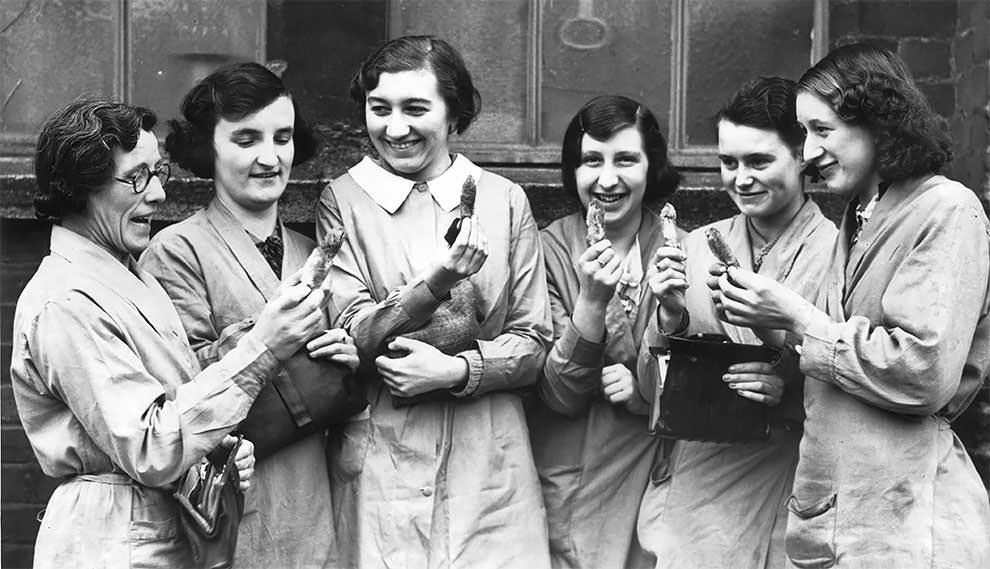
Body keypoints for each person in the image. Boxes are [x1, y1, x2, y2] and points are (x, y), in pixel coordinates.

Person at [10, 97, 326, 568]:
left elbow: (168, 406)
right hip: (113, 542)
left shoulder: (130, 275)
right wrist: (262, 348)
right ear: (81, 187)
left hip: (157, 532)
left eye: (158, 173)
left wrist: (213, 448)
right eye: (137, 177)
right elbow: (151, 447)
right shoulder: (67, 302)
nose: (157, 194)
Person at [710, 44, 990, 567]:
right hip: (843, 520)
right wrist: (768, 323)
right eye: (803, 133)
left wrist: (798, 318)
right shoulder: (858, 217)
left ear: (879, 122)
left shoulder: (947, 209)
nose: (808, 151)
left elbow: (923, 372)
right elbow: (837, 359)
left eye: (823, 129)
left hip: (907, 523)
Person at [316, 35, 553, 568]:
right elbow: (353, 332)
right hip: (386, 454)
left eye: (416, 108)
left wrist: (455, 371)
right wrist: (438, 281)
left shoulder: (504, 199)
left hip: (488, 458)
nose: (395, 128)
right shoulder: (344, 201)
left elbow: (535, 341)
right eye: (380, 109)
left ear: (454, 114)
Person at [138, 62, 357, 569]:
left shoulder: (314, 249)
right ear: (206, 147)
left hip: (316, 506)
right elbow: (176, 387)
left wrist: (346, 355)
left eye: (282, 138)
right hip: (236, 504)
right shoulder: (175, 252)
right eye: (246, 139)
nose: (269, 157)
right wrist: (264, 337)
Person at [635, 77, 838, 569]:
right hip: (700, 499)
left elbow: (859, 384)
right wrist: (669, 316)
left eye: (759, 161)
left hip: (790, 484)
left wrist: (786, 387)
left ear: (803, 156)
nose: (741, 178)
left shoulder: (839, 252)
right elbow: (648, 393)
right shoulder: (693, 245)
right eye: (729, 162)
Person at [528, 95, 679, 569]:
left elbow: (703, 385)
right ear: (572, 170)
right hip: (579, 476)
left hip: (661, 477)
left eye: (626, 160)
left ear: (650, 167)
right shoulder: (546, 251)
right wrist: (592, 302)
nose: (607, 180)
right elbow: (560, 393)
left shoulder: (681, 248)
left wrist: (641, 394)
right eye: (592, 160)